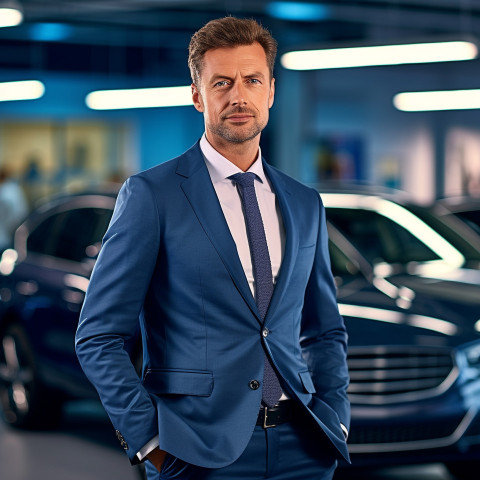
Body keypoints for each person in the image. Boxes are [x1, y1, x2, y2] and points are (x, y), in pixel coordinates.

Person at [75, 16, 350, 480]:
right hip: (195, 451)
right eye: (222, 82)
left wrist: (336, 415)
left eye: (252, 80)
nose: (238, 96)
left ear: (271, 92)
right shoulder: (152, 195)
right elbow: (98, 336)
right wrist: (149, 443)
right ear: (198, 94)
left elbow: (324, 330)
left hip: (305, 446)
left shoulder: (304, 203)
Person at [0, 166, 29, 250]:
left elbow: (9, 219)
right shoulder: (14, 189)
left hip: (5, 238)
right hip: (14, 234)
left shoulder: (5, 194)